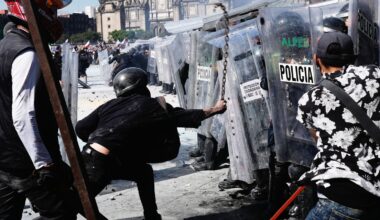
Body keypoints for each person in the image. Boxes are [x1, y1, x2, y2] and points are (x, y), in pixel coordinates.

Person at [75, 67, 227, 220]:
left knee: (143, 173)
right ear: (142, 86)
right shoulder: (154, 106)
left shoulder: (110, 105)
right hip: (103, 162)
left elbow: (81, 128)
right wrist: (216, 109)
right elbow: (184, 116)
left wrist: (101, 141)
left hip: (92, 156)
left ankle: (152, 216)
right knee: (76, 202)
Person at [0, 0, 80, 219]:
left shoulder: (6, 45)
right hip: (27, 162)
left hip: (6, 157)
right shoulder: (26, 53)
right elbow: (23, 115)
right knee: (61, 213)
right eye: (51, 9)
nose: (53, 15)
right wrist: (44, 164)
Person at [297, 32, 380, 219]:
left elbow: (316, 138)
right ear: (352, 56)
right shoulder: (376, 75)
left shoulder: (309, 99)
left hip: (342, 194)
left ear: (316, 59)